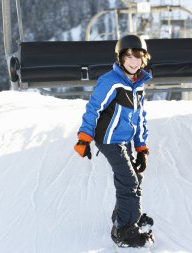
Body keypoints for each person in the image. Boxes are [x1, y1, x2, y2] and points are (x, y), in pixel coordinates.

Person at [74, 34, 154, 248]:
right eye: (128, 57)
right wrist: (84, 138)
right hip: (109, 140)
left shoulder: (138, 84)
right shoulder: (111, 81)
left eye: (138, 57)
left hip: (125, 140)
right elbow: (94, 108)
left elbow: (140, 117)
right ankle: (123, 230)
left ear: (144, 59)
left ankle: (128, 216)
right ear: (120, 58)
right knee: (129, 182)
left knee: (135, 177)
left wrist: (141, 147)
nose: (133, 62)